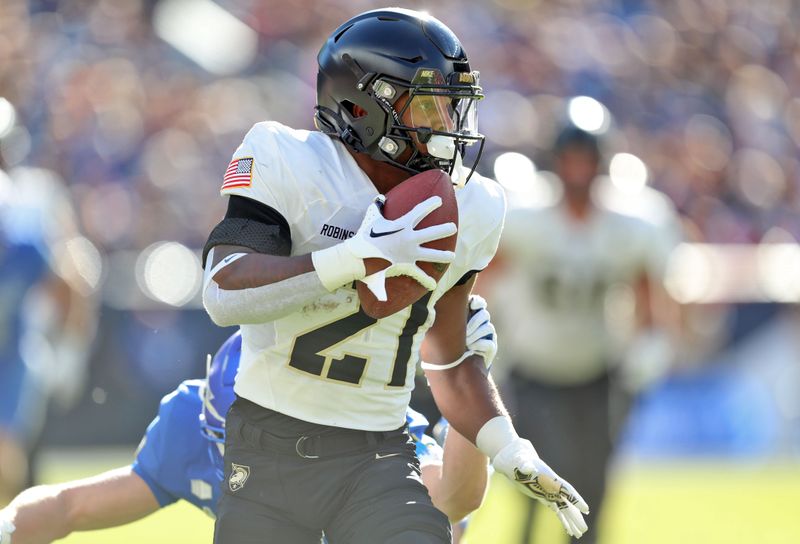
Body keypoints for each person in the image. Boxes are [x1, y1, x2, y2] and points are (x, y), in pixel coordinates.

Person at [202, 8, 587, 544]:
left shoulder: (469, 206)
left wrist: (507, 446)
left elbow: (449, 358)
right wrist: (354, 258)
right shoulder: (288, 159)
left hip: (378, 455)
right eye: (430, 105)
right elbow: (224, 291)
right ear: (363, 106)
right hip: (269, 450)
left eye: (454, 108)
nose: (450, 127)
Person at [0, 298, 495, 544]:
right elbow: (70, 507)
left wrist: (466, 392)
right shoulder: (192, 424)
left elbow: (454, 497)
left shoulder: (366, 428)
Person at [482, 125, 681, 544]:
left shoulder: (627, 227)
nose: (577, 170)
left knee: (592, 483)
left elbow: (648, 291)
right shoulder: (526, 220)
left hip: (595, 370)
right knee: (534, 479)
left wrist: (650, 342)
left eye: (585, 160)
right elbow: (481, 284)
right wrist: (482, 339)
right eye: (570, 159)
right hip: (534, 368)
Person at [0, 167, 97, 505]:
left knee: (6, 465)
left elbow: (68, 285)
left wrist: (68, 352)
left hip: (9, 358)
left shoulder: (24, 248)